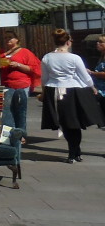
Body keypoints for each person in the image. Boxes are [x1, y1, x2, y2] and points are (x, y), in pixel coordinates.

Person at [40, 28, 102, 163]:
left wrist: (44, 92)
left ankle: (74, 152)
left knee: (65, 123)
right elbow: (85, 76)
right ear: (68, 42)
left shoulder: (47, 57)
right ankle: (74, 152)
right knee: (74, 123)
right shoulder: (74, 58)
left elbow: (44, 78)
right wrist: (92, 87)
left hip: (54, 90)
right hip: (73, 90)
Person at [0, 30, 42, 134]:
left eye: (10, 37)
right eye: (5, 38)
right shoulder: (2, 53)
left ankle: (21, 134)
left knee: (20, 110)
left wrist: (18, 65)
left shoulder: (25, 52)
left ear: (17, 39)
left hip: (22, 84)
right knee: (7, 111)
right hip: (7, 84)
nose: (7, 40)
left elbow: (34, 69)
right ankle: (9, 134)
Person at [89, 35, 105, 129]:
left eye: (100, 42)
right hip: (100, 90)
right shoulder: (101, 57)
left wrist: (92, 73)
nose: (97, 44)